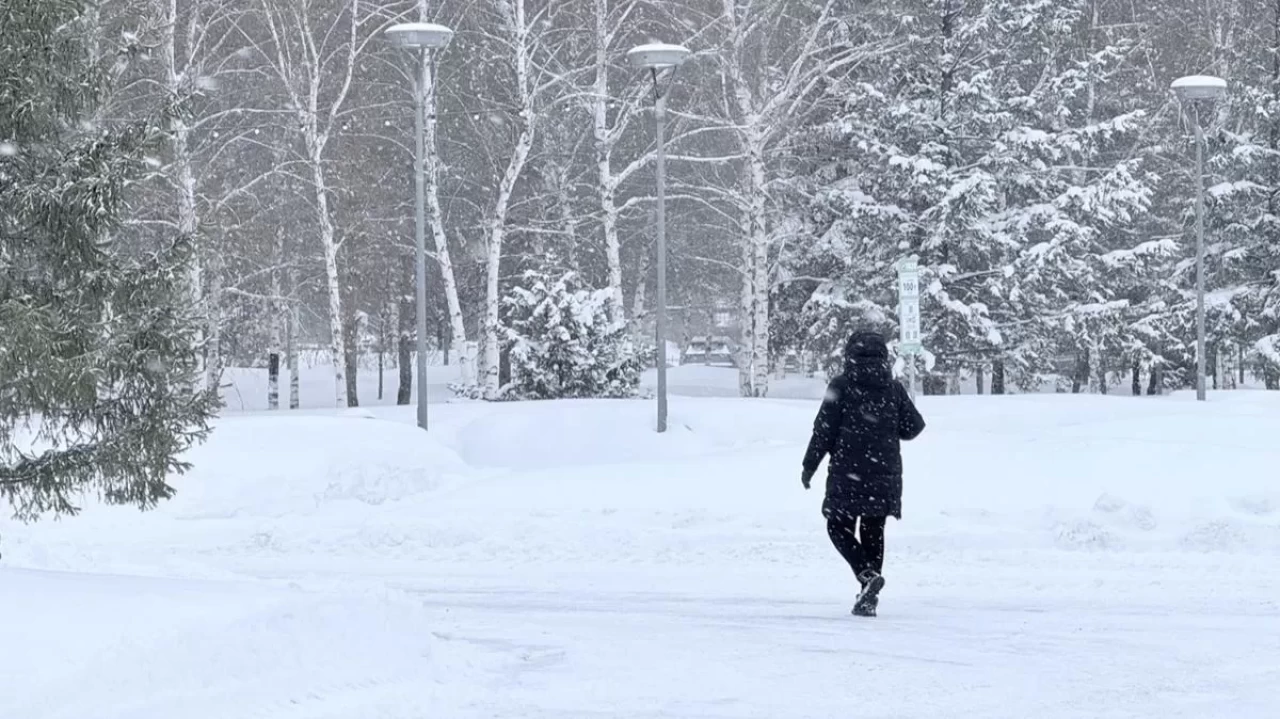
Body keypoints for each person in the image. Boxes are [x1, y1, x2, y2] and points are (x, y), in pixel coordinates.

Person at [801, 331, 925, 617]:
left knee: (837, 526)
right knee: (873, 530)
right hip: (884, 473)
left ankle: (866, 576)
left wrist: (809, 466)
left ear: (850, 356)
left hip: (847, 473)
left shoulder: (842, 386)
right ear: (884, 357)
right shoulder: (892, 389)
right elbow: (914, 427)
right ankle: (868, 596)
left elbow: (823, 431)